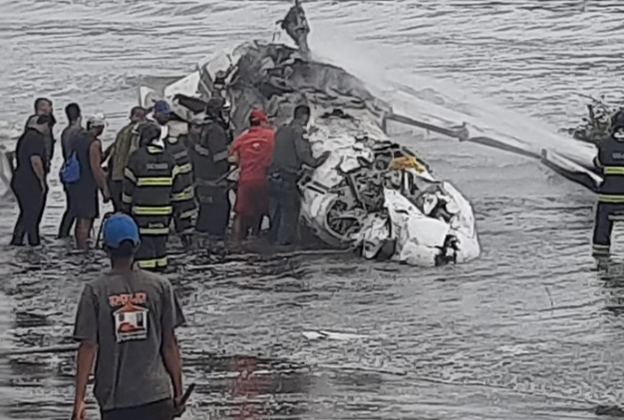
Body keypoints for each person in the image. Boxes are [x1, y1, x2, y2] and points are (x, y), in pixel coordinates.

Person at [71, 213, 186, 420]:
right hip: (157, 395)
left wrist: (79, 400)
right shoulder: (160, 287)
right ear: (137, 245)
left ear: (105, 248)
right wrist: (178, 393)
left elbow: (88, 347)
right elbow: (170, 344)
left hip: (116, 401)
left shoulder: (95, 291)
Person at [122, 123, 194, 272]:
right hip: (164, 215)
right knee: (161, 249)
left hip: (141, 215)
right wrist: (178, 212)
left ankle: (145, 282)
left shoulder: (136, 158)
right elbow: (178, 191)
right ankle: (161, 280)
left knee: (144, 251)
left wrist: (125, 211)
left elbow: (127, 191)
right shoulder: (169, 158)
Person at [268, 104, 330, 246]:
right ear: (305, 117)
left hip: (273, 177)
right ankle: (283, 250)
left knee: (278, 214)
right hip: (287, 179)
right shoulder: (299, 131)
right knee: (290, 215)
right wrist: (321, 159)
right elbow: (305, 156)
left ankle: (271, 243)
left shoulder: (282, 130)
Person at [229, 109, 275, 242]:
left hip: (246, 181)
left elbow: (233, 159)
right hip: (266, 181)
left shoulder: (242, 139)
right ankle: (261, 239)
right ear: (262, 121)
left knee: (240, 214)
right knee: (268, 212)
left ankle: (236, 243)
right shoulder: (273, 135)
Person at [190, 98, 231, 238]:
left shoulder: (205, 127)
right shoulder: (216, 131)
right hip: (215, 182)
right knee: (219, 216)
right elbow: (219, 159)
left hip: (203, 180)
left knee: (205, 215)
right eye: (225, 111)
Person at [69, 115, 111, 250]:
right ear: (98, 128)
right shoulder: (94, 143)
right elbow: (96, 167)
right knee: (86, 218)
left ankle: (79, 246)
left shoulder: (77, 139)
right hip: (86, 183)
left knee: (79, 217)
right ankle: (83, 248)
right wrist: (104, 188)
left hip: (75, 181)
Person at [10, 115, 52, 247]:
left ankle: (17, 241)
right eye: (48, 127)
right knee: (32, 215)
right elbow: (35, 161)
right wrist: (42, 181)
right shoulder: (36, 138)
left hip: (19, 179)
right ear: (44, 124)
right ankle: (34, 243)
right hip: (30, 182)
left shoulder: (25, 136)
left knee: (25, 213)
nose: (48, 131)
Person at [592, 110, 624, 266]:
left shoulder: (604, 144)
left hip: (608, 198)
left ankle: (600, 256)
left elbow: (598, 164)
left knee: (603, 223)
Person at [163, 121, 197, 246]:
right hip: (186, 196)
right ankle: (188, 246)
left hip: (175, 195)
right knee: (185, 227)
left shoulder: (167, 150)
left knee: (163, 228)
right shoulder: (182, 147)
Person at [107, 107, 147, 211]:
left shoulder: (122, 132)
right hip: (127, 178)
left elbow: (112, 152)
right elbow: (133, 153)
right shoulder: (137, 132)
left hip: (115, 177)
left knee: (119, 210)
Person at [57, 103, 83, 239]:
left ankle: (63, 233)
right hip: (76, 173)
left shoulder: (65, 131)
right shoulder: (79, 131)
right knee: (77, 208)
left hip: (67, 170)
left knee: (71, 206)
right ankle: (68, 234)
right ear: (80, 115)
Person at [24, 97, 57, 173]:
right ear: (42, 107)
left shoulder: (46, 120)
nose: (51, 108)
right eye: (49, 106)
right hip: (38, 159)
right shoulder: (37, 122)